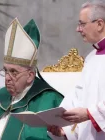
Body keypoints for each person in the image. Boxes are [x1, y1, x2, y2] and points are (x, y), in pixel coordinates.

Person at [0, 18, 63, 140]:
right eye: (5, 70)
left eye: (13, 72)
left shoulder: (47, 99)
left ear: (30, 76)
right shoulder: (2, 94)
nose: (7, 78)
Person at [48, 1, 105, 140]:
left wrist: (89, 114)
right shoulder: (91, 59)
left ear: (99, 24)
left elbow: (85, 111)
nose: (78, 29)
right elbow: (78, 100)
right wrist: (64, 130)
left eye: (82, 24)